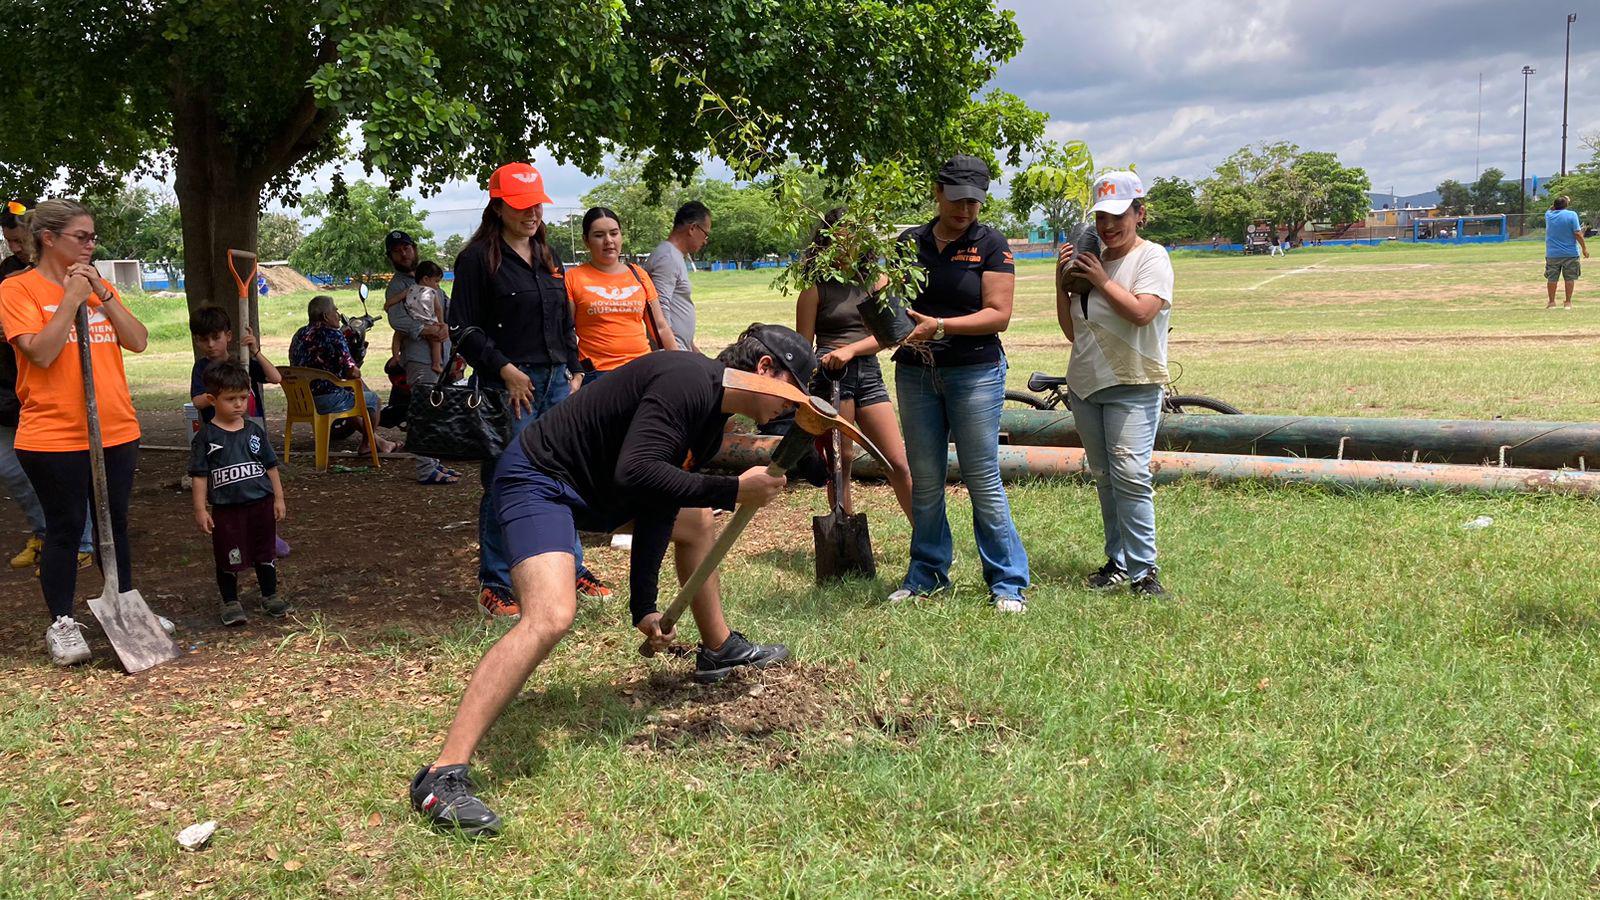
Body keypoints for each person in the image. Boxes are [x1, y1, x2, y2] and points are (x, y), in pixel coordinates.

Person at [408, 325, 810, 836]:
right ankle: (442, 775)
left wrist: (643, 606)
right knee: (551, 617)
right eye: (793, 392)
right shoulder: (687, 381)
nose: (793, 408)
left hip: (593, 491)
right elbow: (636, 473)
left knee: (696, 520)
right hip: (540, 479)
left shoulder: (713, 416)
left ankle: (719, 648)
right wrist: (733, 488)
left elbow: (658, 500)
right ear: (766, 370)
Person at [0, 198, 172, 665]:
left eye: (93, 237)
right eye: (82, 236)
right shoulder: (19, 290)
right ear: (49, 239)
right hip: (53, 434)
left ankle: (125, 608)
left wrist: (102, 293)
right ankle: (62, 622)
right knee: (67, 527)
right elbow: (40, 352)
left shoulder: (97, 286)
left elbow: (137, 341)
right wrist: (70, 300)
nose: (90, 245)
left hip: (115, 427)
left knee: (114, 524)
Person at [447, 162, 611, 614]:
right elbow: (461, 327)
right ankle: (496, 582)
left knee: (562, 476)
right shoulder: (478, 258)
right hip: (508, 388)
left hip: (556, 380)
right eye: (521, 206)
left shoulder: (548, 254)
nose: (531, 213)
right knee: (508, 479)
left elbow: (562, 320)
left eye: (536, 204)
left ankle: (572, 568)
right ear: (497, 206)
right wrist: (503, 369)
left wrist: (574, 369)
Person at [889, 156, 1030, 612]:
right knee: (925, 479)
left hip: (974, 371)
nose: (965, 209)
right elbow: (888, 299)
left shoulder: (991, 244)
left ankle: (1007, 583)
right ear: (937, 191)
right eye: (956, 199)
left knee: (981, 476)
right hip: (915, 371)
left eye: (973, 200)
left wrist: (941, 326)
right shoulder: (909, 243)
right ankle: (926, 575)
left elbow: (999, 315)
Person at [1056, 171, 1174, 598]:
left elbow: (1142, 313)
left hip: (1132, 382)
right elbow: (1074, 331)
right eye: (1102, 217)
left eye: (1118, 216)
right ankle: (1118, 561)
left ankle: (1144, 571)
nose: (1108, 226)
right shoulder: (1091, 259)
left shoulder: (1152, 258)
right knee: (1105, 475)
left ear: (1139, 214)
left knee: (1130, 473)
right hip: (1086, 384)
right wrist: (1062, 279)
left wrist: (1102, 280)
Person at [794, 208, 913, 517]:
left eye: (854, 234)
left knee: (896, 461)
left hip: (868, 374)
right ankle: (843, 530)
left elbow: (894, 334)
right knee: (841, 460)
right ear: (826, 241)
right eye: (839, 234)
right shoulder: (814, 288)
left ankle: (928, 541)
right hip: (831, 377)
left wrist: (852, 350)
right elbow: (803, 348)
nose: (847, 241)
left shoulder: (876, 279)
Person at [189, 361, 289, 626]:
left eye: (243, 398)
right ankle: (231, 602)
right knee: (228, 555)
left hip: (261, 505)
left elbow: (271, 466)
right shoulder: (206, 437)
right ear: (212, 399)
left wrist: (278, 498)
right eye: (230, 399)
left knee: (265, 552)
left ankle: (270, 595)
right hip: (227, 510)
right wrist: (200, 509)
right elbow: (199, 475)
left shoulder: (255, 431)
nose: (238, 404)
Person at [565, 206, 677, 385]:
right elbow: (565, 331)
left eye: (614, 233)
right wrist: (575, 373)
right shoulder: (573, 277)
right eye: (599, 235)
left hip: (642, 369)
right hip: (598, 375)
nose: (608, 241)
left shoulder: (638, 274)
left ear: (621, 236)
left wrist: (679, 365)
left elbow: (661, 326)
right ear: (586, 241)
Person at [288, 295, 397, 456]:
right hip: (325, 400)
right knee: (374, 400)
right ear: (326, 316)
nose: (338, 315)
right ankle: (367, 444)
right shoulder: (333, 335)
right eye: (335, 310)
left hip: (300, 400)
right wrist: (356, 368)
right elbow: (352, 371)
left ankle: (379, 442)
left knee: (348, 395)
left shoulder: (299, 334)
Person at [188, 306, 281, 424]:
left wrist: (256, 352)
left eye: (216, 338)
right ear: (196, 341)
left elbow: (276, 378)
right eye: (204, 339)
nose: (211, 344)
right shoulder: (201, 367)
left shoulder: (243, 363)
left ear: (228, 336)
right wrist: (225, 392)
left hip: (251, 426)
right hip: (218, 431)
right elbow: (198, 402)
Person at [643, 201, 711, 352]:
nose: (705, 241)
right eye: (706, 234)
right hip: (672, 354)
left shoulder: (675, 256)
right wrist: (675, 356)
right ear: (693, 228)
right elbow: (660, 310)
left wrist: (693, 350)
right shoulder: (667, 257)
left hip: (681, 349)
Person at [400, 261, 449, 375]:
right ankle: (436, 364)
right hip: (430, 323)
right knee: (436, 341)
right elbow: (438, 309)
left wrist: (387, 304)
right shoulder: (432, 292)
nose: (437, 285)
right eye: (436, 281)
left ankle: (395, 356)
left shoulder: (411, 289)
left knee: (397, 337)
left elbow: (398, 297)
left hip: (414, 321)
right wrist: (441, 323)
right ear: (426, 279)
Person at [1544, 195, 1589, 309]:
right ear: (1567, 205)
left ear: (1554, 205)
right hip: (1570, 253)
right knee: (1569, 278)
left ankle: (1551, 302)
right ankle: (1568, 302)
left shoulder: (1548, 215)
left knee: (1552, 278)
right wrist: (1584, 248)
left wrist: (1560, 201)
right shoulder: (1572, 215)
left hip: (1552, 253)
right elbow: (1578, 233)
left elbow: (1551, 208)